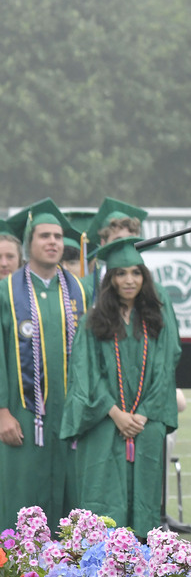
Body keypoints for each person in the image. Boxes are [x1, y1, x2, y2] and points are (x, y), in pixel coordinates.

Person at [61, 237, 181, 537]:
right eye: (121, 273)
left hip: (145, 424)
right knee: (104, 498)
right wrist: (114, 413)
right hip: (103, 422)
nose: (129, 280)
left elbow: (165, 368)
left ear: (145, 277)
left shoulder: (156, 320)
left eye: (135, 272)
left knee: (144, 499)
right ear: (110, 280)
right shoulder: (93, 321)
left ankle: (141, 571)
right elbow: (84, 374)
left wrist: (143, 413)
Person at [0, 200, 91, 528]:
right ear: (29, 244)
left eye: (57, 236)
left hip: (72, 419)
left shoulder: (79, 292)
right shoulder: (6, 292)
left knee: (72, 506)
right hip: (22, 416)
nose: (53, 241)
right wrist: (2, 412)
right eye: (44, 236)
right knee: (21, 501)